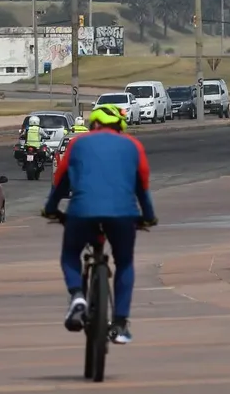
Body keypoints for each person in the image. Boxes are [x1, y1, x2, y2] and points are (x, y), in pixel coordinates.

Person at [44, 104, 156, 346]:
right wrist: (148, 216)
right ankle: (120, 324)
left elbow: (60, 180)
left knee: (70, 255)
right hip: (123, 214)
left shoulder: (78, 143)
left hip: (82, 211)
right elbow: (142, 185)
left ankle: (77, 295)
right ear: (120, 127)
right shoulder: (133, 145)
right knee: (124, 262)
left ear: (94, 124)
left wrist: (51, 209)